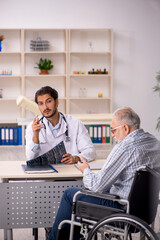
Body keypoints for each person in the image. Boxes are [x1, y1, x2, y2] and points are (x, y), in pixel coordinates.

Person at [47, 107, 160, 240]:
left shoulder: (124, 148)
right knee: (89, 194)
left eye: (113, 130)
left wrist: (85, 170)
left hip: (122, 210)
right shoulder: (154, 142)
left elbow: (96, 186)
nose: (112, 134)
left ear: (125, 128)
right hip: (145, 213)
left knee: (71, 194)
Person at [25, 86, 96, 163]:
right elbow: (30, 158)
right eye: (41, 103)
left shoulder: (75, 123)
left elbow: (90, 151)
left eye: (49, 101)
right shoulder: (33, 127)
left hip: (70, 170)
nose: (45, 107)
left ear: (57, 102)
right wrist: (36, 135)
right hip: (45, 172)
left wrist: (76, 158)